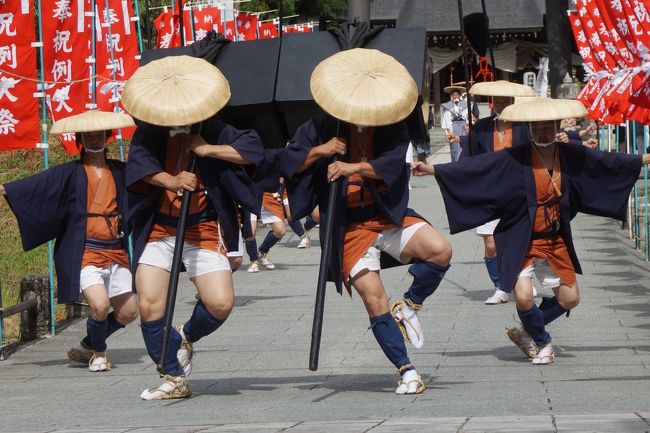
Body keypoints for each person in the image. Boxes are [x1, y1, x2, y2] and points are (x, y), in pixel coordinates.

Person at [411, 98, 648, 365]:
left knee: (571, 299)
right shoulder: (515, 157)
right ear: (531, 130)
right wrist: (433, 169)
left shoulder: (570, 154)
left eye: (548, 128)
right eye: (537, 128)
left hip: (554, 238)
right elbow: (477, 168)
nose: (543, 133)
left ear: (557, 127)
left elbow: (607, 162)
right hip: (519, 237)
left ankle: (525, 331)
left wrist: (644, 159)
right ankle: (544, 341)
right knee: (523, 297)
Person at [282, 48, 452, 394]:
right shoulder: (320, 126)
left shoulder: (389, 126)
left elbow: (393, 167)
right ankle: (406, 370)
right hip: (347, 226)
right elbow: (288, 162)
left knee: (441, 250)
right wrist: (321, 151)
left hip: (385, 215)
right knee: (374, 300)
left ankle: (409, 305)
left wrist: (353, 166)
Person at [122, 56, 264, 399]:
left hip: (203, 228)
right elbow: (138, 167)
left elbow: (252, 150)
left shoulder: (213, 127)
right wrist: (170, 180)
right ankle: (173, 377)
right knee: (150, 305)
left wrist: (208, 149)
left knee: (220, 304)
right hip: (160, 229)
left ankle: (185, 335)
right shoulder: (150, 131)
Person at [0, 110, 138, 372]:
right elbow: (35, 186)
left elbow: (147, 184)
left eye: (100, 135)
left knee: (129, 311)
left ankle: (87, 344)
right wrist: (6, 189)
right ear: (80, 139)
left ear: (107, 137)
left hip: (115, 248)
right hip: (85, 249)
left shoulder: (121, 171)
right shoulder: (68, 173)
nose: (95, 140)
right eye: (89, 136)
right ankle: (98, 352)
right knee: (99, 305)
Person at [458, 81, 536, 305]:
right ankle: (500, 285)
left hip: (519, 191)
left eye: (506, 100)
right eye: (498, 101)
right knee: (491, 242)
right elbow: (468, 159)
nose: (501, 104)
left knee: (523, 240)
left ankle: (520, 281)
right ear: (492, 103)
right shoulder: (481, 127)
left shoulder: (525, 126)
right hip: (489, 192)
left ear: (513, 102)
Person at [440, 85, 469, 162]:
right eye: (454, 94)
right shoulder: (448, 105)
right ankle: (455, 163)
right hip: (454, 127)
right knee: (454, 147)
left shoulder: (465, 104)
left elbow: (467, 116)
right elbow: (447, 119)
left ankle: (464, 163)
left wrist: (468, 126)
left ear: (459, 95)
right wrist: (449, 131)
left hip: (463, 126)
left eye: (457, 94)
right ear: (452, 96)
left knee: (464, 146)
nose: (455, 96)